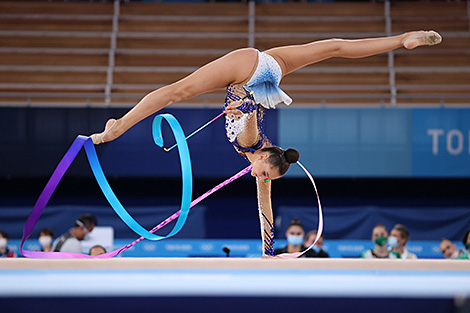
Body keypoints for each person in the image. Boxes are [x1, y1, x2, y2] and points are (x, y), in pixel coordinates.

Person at [90, 31, 441, 257]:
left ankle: (405, 39)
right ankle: (116, 129)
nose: (260, 178)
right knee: (176, 91)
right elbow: (246, 124)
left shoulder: (263, 159)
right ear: (262, 159)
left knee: (334, 47)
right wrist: (241, 106)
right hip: (246, 70)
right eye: (263, 174)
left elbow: (265, 210)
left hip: (272, 69)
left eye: (265, 179)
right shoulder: (251, 146)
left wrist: (268, 251)